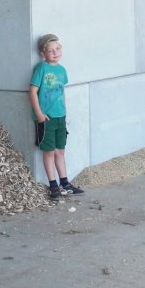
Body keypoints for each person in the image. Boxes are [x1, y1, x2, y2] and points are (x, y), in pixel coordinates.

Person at [29, 33, 85, 201]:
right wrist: (39, 114)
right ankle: (53, 185)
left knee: (60, 150)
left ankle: (65, 183)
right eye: (50, 50)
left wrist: (65, 112)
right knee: (49, 151)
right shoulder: (41, 68)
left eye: (57, 48)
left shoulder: (61, 70)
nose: (55, 52)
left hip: (60, 116)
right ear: (43, 54)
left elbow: (61, 92)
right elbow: (32, 91)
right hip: (46, 118)